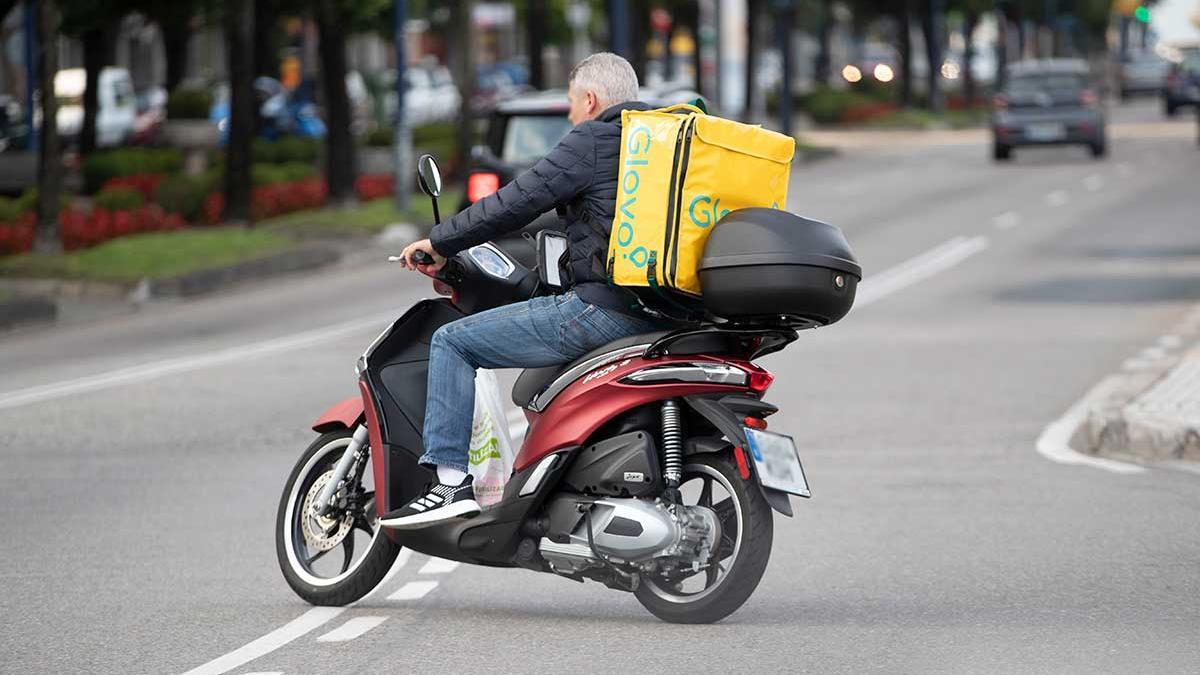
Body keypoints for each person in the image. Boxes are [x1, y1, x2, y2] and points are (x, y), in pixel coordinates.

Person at [380, 53, 672, 529]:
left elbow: (514, 202)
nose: (573, 117)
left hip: (605, 311)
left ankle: (450, 486)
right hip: (669, 313)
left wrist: (438, 241)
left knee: (453, 342)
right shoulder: (658, 147)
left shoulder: (594, 138)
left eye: (573, 106)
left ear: (591, 100)